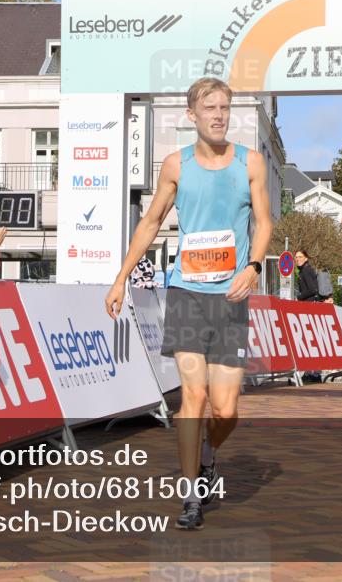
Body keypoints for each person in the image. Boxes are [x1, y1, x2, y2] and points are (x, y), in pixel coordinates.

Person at [105, 77, 273, 530]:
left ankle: (208, 454)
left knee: (226, 410)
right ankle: (191, 493)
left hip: (231, 297)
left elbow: (263, 222)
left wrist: (253, 266)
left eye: (224, 107)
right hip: (186, 292)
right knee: (192, 397)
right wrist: (121, 277)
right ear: (191, 116)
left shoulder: (250, 163)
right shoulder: (175, 165)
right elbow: (152, 221)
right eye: (210, 108)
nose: (219, 115)